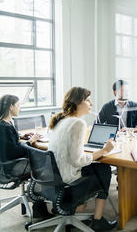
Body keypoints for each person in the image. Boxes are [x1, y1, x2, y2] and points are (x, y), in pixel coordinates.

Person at [48, 87, 117, 231]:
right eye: (87, 100)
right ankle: (97, 220)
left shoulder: (61, 120)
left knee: (98, 166)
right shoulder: (78, 123)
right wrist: (104, 150)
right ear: (77, 103)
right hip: (67, 181)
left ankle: (80, 207)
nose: (91, 104)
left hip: (53, 179)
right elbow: (77, 161)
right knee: (103, 169)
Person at [0, 94, 51, 219]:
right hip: (12, 166)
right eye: (18, 105)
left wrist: (23, 138)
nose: (20, 108)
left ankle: (38, 200)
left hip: (8, 163)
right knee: (47, 166)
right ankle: (39, 206)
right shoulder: (3, 127)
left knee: (43, 161)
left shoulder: (5, 124)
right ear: (11, 106)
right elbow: (14, 152)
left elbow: (10, 145)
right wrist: (30, 142)